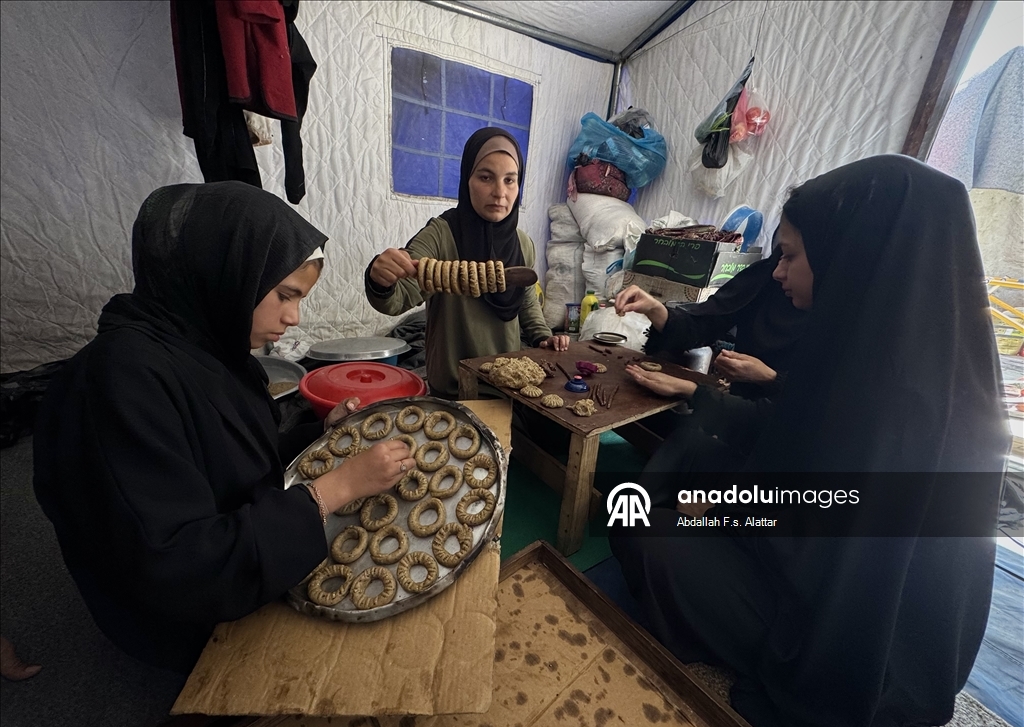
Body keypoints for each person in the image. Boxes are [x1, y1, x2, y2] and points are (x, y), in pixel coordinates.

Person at [612, 155, 1008, 727]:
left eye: (793, 255)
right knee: (686, 466)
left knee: (642, 526)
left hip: (844, 631)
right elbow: (797, 446)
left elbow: (822, 532)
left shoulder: (897, 402)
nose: (778, 272)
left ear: (853, 254)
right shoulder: (881, 347)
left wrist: (725, 507)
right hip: (816, 542)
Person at [33, 182, 412, 673]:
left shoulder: (208, 349)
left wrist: (319, 434)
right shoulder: (117, 384)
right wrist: (330, 491)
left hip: (245, 545)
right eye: (284, 295)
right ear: (227, 271)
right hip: (184, 613)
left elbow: (225, 461)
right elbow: (176, 566)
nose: (294, 318)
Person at [364, 127, 568, 399]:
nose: (499, 192)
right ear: (467, 179)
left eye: (510, 180)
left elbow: (527, 300)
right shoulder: (441, 235)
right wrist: (380, 279)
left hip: (507, 388)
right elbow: (398, 298)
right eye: (486, 177)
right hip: (453, 390)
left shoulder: (522, 243)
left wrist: (544, 336)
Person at [615, 232, 808, 401]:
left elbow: (804, 405)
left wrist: (770, 377)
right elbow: (705, 324)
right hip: (733, 413)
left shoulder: (834, 330)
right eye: (781, 254)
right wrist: (654, 308)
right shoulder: (764, 278)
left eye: (790, 256)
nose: (778, 272)